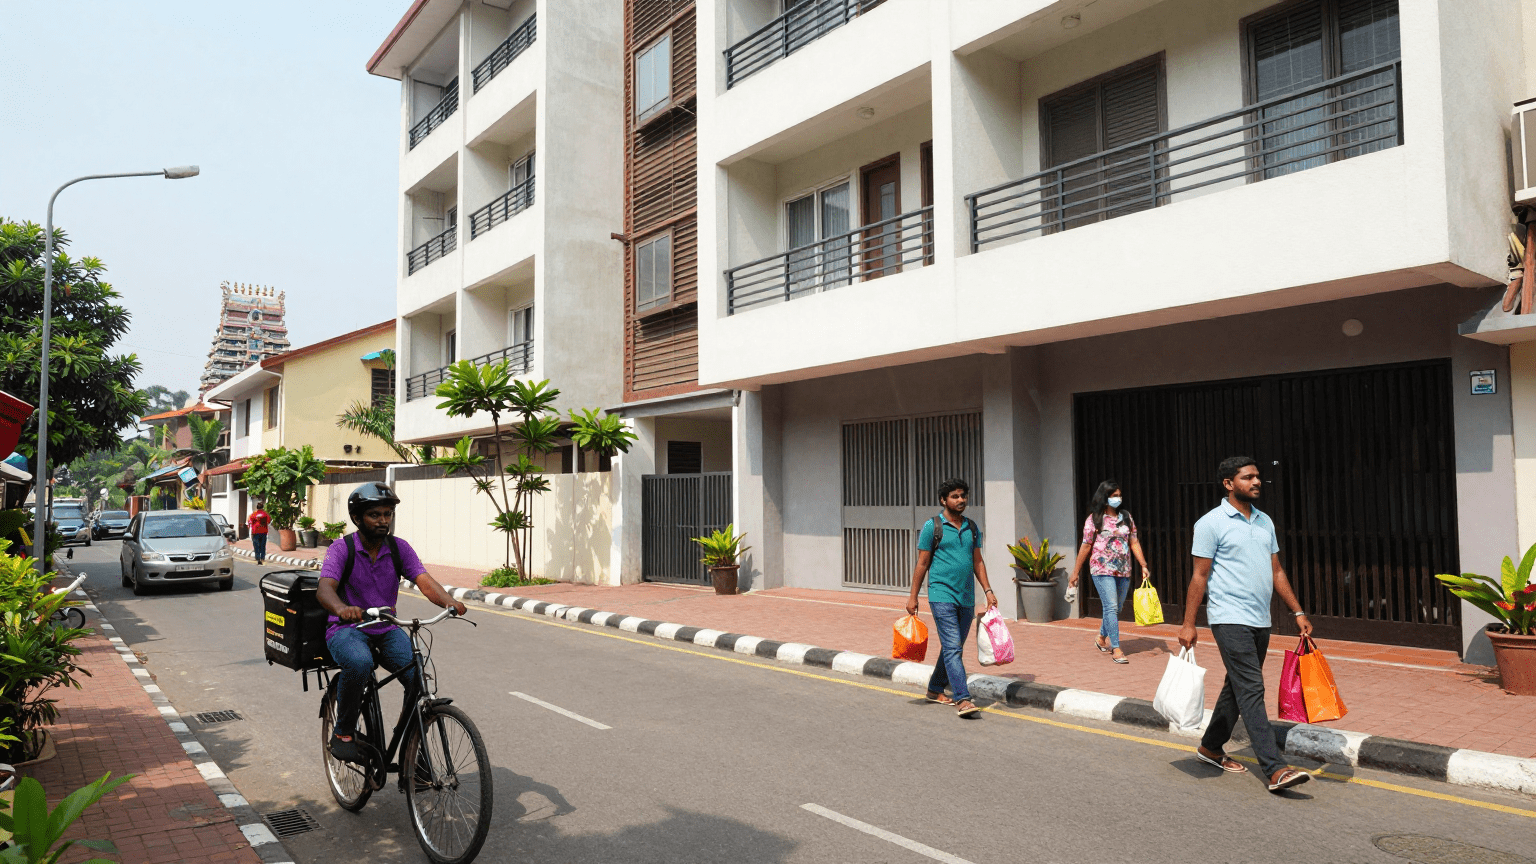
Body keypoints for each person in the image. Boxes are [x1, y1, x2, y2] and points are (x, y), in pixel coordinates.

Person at [1179, 457, 1313, 792]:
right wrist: (1188, 624)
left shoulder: (1264, 522)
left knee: (1237, 688)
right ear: (1228, 483)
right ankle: (1274, 768)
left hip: (1260, 619)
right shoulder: (1210, 523)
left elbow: (1277, 571)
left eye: (1257, 477)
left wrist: (1297, 612)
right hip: (1228, 617)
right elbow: (1199, 575)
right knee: (1252, 687)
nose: (1256, 482)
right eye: (1248, 477)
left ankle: (1210, 747)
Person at [318, 482, 466, 765]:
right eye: (375, 514)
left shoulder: (399, 548)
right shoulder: (342, 548)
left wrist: (449, 601)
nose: (384, 520)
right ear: (358, 518)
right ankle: (344, 732)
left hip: (386, 627)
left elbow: (424, 581)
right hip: (348, 629)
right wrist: (341, 608)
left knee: (418, 678)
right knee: (359, 663)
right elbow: (325, 588)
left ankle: (412, 745)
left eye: (388, 514)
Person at [904, 478, 999, 718]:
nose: (961, 500)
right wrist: (913, 596)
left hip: (966, 596)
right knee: (953, 647)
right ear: (943, 500)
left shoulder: (972, 527)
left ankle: (935, 688)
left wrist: (988, 590)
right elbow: (922, 563)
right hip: (941, 593)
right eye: (955, 496)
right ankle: (963, 699)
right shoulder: (932, 527)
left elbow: (977, 561)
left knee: (952, 646)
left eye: (963, 496)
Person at [1067, 479, 1150, 664]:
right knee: (1111, 607)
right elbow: (1085, 546)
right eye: (1114, 496)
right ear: (1105, 498)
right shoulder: (1094, 519)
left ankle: (1101, 638)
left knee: (1117, 608)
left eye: (1119, 495)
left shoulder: (1126, 517)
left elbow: (1134, 542)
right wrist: (1075, 572)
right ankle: (1117, 648)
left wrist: (1143, 564)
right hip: (1101, 569)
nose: (1118, 499)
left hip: (1123, 570)